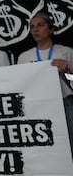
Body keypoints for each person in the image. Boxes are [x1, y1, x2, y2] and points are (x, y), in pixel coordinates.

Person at [16, 12, 73, 155]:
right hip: (37, 106)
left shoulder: (66, 52)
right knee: (45, 151)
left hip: (64, 104)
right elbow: (20, 86)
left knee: (69, 146)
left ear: (51, 29)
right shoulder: (23, 57)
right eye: (32, 27)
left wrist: (67, 71)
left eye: (40, 25)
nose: (35, 29)